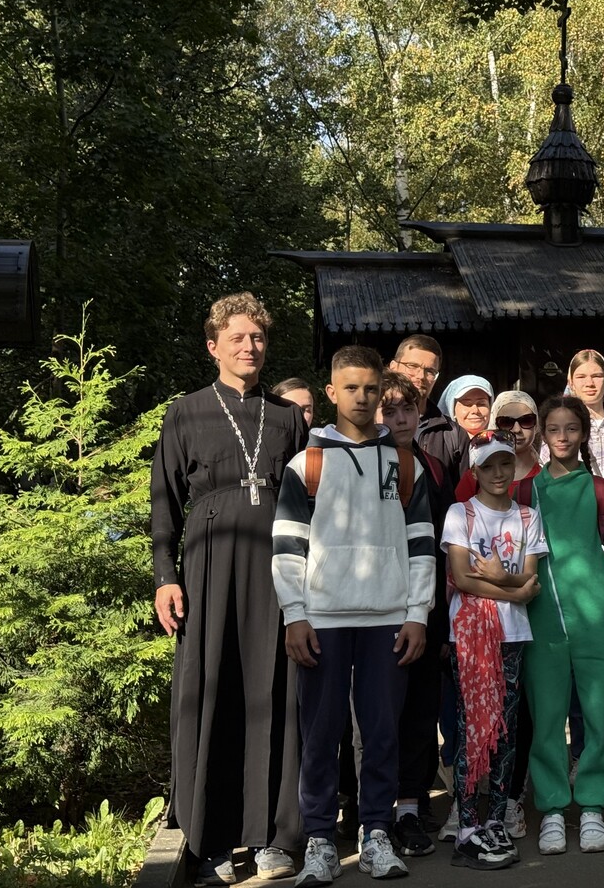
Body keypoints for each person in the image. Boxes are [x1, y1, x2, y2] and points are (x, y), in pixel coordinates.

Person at [151, 293, 307, 885]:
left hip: (277, 568)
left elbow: (307, 503)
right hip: (209, 566)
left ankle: (277, 837)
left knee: (277, 689)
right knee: (213, 688)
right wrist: (165, 577)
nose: (250, 347)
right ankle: (212, 840)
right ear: (213, 346)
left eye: (258, 337)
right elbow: (164, 502)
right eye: (238, 338)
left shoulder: (288, 417)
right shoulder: (186, 412)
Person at [271, 346, 436, 885]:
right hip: (322, 618)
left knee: (382, 732)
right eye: (351, 388)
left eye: (370, 389)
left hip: (388, 618)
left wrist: (417, 612)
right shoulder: (307, 464)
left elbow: (421, 544)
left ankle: (377, 834)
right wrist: (295, 614)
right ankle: (320, 840)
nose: (362, 398)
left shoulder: (404, 462)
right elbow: (287, 546)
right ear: (331, 393)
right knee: (320, 734)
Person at [525, 397, 604, 856]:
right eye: (554, 429)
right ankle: (552, 809)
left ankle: (592, 805)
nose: (563, 437)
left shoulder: (599, 489)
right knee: (547, 719)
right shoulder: (526, 492)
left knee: (599, 717)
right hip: (542, 622)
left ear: (583, 434)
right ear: (543, 434)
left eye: (571, 428)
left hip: (599, 620)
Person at [442, 431, 548, 869]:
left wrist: (505, 578)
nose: (499, 473)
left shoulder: (527, 516)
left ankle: (497, 818)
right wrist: (515, 590)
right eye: (489, 466)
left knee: (505, 728)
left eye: (505, 463)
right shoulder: (460, 513)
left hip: (512, 634)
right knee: (472, 726)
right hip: (470, 634)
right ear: (475, 471)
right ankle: (467, 825)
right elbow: (462, 577)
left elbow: (530, 574)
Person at [380, 372, 453, 857]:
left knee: (421, 712)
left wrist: (439, 621)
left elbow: (442, 549)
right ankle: (373, 811)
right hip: (375, 609)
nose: (401, 419)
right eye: (390, 411)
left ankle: (412, 805)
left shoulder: (434, 465)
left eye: (408, 409)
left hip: (426, 608)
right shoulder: (364, 461)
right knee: (377, 716)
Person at [389, 334, 469, 476]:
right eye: (412, 366)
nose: (421, 376)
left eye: (430, 371)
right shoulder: (373, 424)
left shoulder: (452, 434)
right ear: (393, 367)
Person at [565, 349, 604, 476]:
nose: (589, 383)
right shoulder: (560, 430)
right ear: (571, 382)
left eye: (597, 376)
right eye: (581, 377)